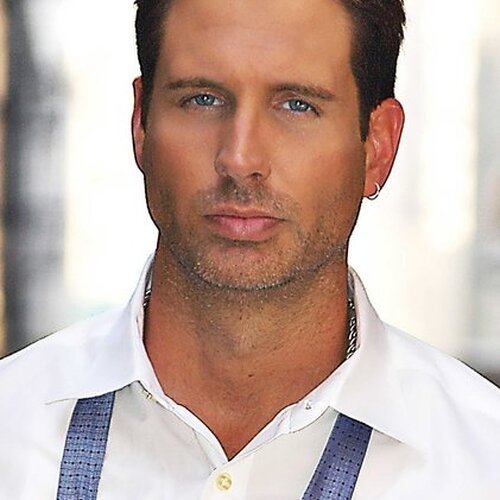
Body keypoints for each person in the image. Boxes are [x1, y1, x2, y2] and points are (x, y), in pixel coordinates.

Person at [1, 0, 500, 498]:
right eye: (202, 99)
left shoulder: (481, 462)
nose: (240, 159)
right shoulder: (13, 426)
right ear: (140, 124)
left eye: (297, 105)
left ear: (378, 146)